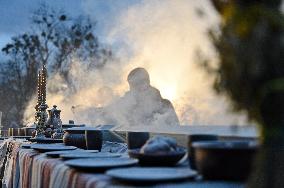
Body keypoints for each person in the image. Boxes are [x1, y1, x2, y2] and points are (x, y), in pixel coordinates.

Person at [107, 67, 179, 127]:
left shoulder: (164, 105)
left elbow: (175, 130)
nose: (131, 89)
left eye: (134, 85)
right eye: (131, 85)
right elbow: (111, 111)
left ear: (145, 83)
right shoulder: (128, 103)